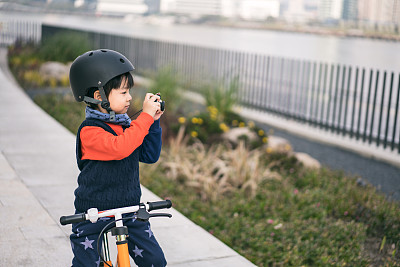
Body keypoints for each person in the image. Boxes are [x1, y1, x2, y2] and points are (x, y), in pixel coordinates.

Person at [68, 49, 166, 267]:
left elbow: (149, 155)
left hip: (129, 208)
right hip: (94, 210)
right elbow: (120, 148)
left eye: (129, 91)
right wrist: (145, 117)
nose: (130, 97)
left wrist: (153, 122)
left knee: (156, 261)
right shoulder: (90, 131)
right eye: (123, 92)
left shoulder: (126, 126)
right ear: (98, 96)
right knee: (86, 263)